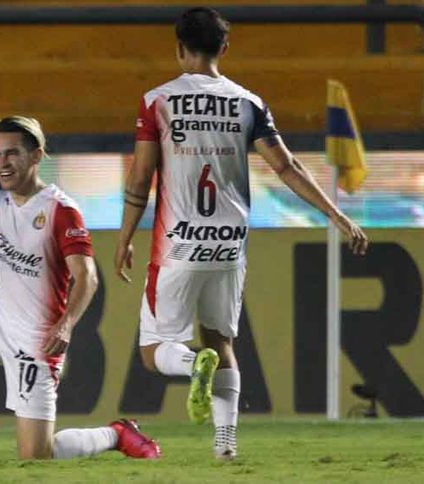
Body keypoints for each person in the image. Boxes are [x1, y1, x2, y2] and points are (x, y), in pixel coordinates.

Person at [114, 7, 369, 461]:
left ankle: (194, 364)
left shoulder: (158, 100)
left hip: (179, 243)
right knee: (222, 341)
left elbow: (141, 176)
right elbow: (286, 167)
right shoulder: (248, 103)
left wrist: (124, 237)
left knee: (154, 351)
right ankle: (226, 445)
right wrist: (338, 216)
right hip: (229, 245)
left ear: (179, 48)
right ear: (224, 48)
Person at [0, 61, 160, 461]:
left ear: (37, 155)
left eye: (12, 154)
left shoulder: (60, 210)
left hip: (37, 342)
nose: (2, 163)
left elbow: (87, 276)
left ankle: (116, 433)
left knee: (37, 455)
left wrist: (66, 325)